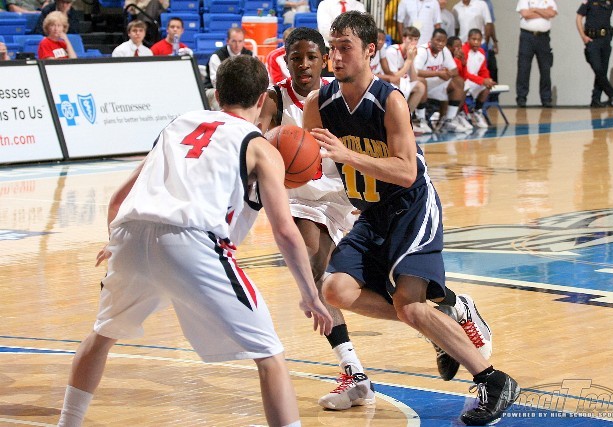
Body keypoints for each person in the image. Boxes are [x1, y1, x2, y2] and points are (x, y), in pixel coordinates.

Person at [56, 54, 333, 427]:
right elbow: (285, 231)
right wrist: (309, 294)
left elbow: (119, 199)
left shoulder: (178, 124)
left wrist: (115, 243)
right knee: (270, 356)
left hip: (130, 234)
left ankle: (67, 423)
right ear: (262, 100)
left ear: (217, 93)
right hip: (192, 241)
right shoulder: (259, 146)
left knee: (102, 335)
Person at [303, 11, 519, 425]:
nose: (336, 57)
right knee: (335, 290)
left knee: (411, 306)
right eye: (332, 48)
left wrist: (348, 155)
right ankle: (444, 318)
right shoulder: (320, 103)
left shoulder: (390, 100)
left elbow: (406, 171)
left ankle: (493, 381)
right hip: (371, 213)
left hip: (412, 207)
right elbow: (309, 161)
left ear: (370, 50)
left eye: (345, 48)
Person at [258, 26, 375, 411]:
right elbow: (254, 141)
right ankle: (353, 371)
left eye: (312, 57)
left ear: (324, 59)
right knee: (313, 269)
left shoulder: (336, 95)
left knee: (382, 286)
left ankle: (454, 308)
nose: (304, 64)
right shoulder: (274, 98)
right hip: (301, 200)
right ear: (286, 60)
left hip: (342, 198)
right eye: (296, 58)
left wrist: (363, 192)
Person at [413, 28, 468, 132]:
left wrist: (448, 74)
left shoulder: (444, 51)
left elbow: (455, 70)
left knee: (459, 81)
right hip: (421, 84)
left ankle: (449, 120)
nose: (440, 44)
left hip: (436, 84)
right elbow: (416, 72)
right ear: (431, 39)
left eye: (443, 41)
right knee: (421, 81)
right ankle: (420, 120)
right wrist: (438, 73)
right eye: (438, 40)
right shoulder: (423, 50)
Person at [384, 26, 429, 133]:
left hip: (402, 83)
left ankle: (407, 120)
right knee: (401, 88)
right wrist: (408, 60)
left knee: (420, 86)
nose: (413, 42)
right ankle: (397, 122)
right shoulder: (392, 51)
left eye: (416, 39)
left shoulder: (412, 53)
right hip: (388, 83)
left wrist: (411, 60)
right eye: (410, 39)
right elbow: (394, 78)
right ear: (404, 39)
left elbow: (414, 79)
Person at [515, 0, 557, 108]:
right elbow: (525, 14)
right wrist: (544, 13)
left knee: (545, 68)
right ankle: (521, 97)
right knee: (524, 68)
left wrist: (535, 9)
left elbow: (552, 13)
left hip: (543, 37)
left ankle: (546, 98)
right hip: (527, 36)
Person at [205, 27, 254, 110]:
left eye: (240, 41)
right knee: (218, 95)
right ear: (228, 41)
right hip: (216, 90)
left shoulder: (250, 55)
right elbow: (216, 83)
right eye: (234, 41)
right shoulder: (217, 57)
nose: (237, 45)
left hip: (242, 91)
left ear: (243, 42)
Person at [461, 29, 495, 127]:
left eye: (479, 40)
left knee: (487, 86)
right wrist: (482, 80)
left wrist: (487, 79)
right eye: (473, 39)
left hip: (474, 81)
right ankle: (462, 113)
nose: (476, 42)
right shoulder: (463, 51)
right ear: (468, 39)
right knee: (466, 85)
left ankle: (477, 111)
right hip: (463, 80)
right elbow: (464, 73)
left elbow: (483, 70)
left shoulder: (481, 52)